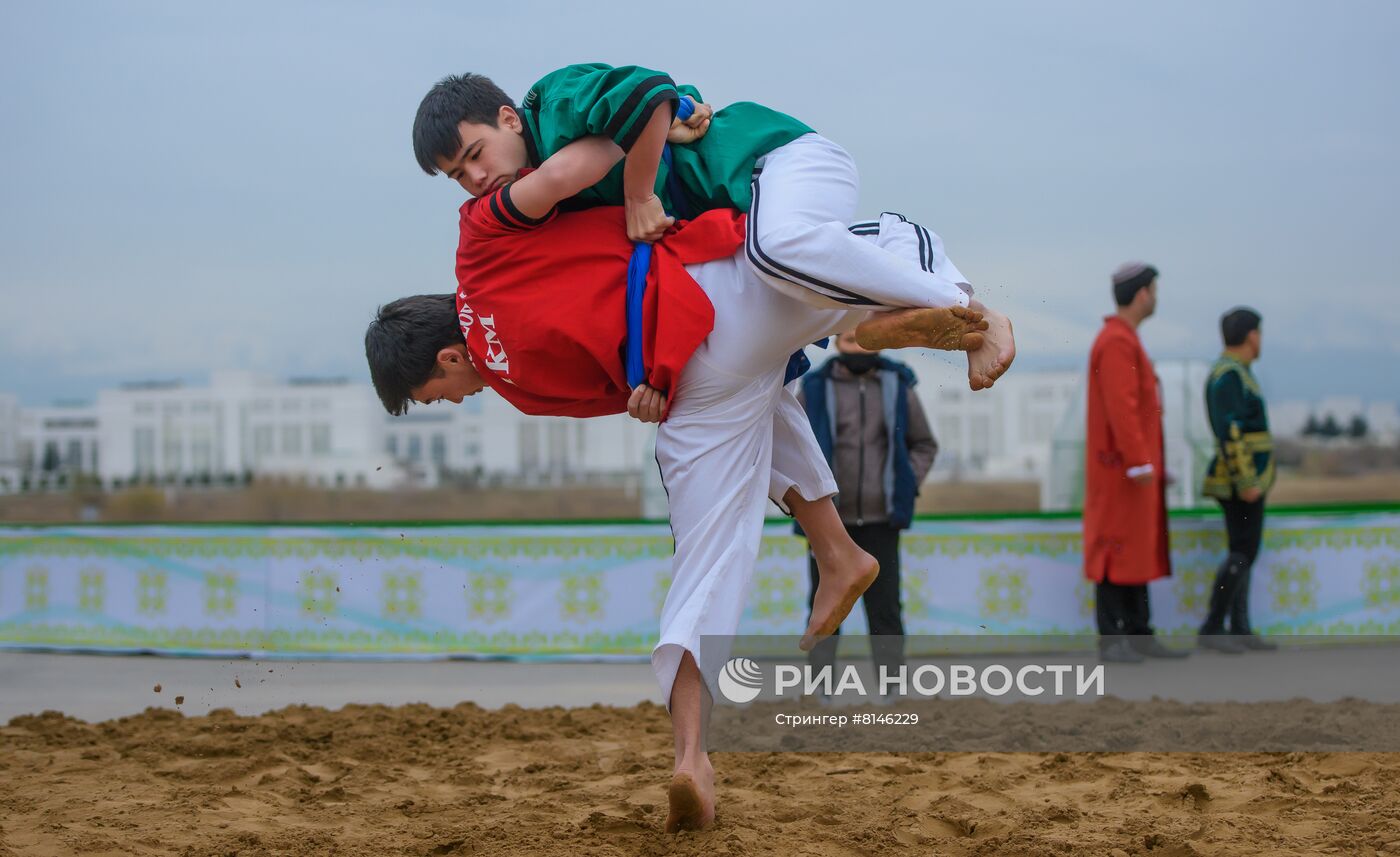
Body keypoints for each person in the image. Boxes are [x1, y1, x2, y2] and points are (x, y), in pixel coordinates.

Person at [365, 133, 994, 832]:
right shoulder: (485, 247)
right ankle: (843, 523)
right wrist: (658, 138)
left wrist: (662, 127)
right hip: (721, 296)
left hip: (701, 357)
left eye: (434, 394)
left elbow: (624, 381)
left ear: (449, 355)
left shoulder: (496, 305)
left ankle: (694, 754)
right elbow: (594, 150)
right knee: (804, 312)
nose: (448, 403)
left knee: (703, 564)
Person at [411, 64, 1014, 391]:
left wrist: (642, 187)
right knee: (784, 292)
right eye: (456, 175)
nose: (474, 177)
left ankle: (962, 302)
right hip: (747, 208)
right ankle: (894, 281)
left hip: (773, 159)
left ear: (510, 118)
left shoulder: (554, 101)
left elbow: (647, 89)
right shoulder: (543, 197)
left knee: (777, 251)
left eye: (474, 153)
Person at [796, 331, 938, 696]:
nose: (857, 347)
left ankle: (891, 691)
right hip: (829, 524)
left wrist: (906, 483)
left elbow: (924, 444)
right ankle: (820, 691)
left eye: (864, 340)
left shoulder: (899, 385)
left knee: (886, 609)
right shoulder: (813, 387)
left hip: (882, 520)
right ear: (837, 342)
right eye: (848, 339)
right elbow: (794, 447)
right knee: (826, 609)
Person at [1083, 263, 1189, 663]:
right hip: (1120, 472)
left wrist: (1148, 463)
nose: (1156, 297)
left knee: (1134, 551)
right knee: (1116, 551)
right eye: (1154, 289)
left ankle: (1140, 634)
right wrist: (1140, 461)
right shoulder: (1116, 342)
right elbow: (1122, 407)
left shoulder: (1122, 339)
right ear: (1143, 293)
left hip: (1128, 470)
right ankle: (1113, 640)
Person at [1198, 307, 1277, 653]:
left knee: (1244, 553)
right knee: (1242, 553)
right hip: (1240, 482)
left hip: (1247, 480)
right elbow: (1231, 433)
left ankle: (1239, 627)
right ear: (1251, 336)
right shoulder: (1228, 375)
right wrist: (1246, 479)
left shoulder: (1235, 372)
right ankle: (1214, 626)